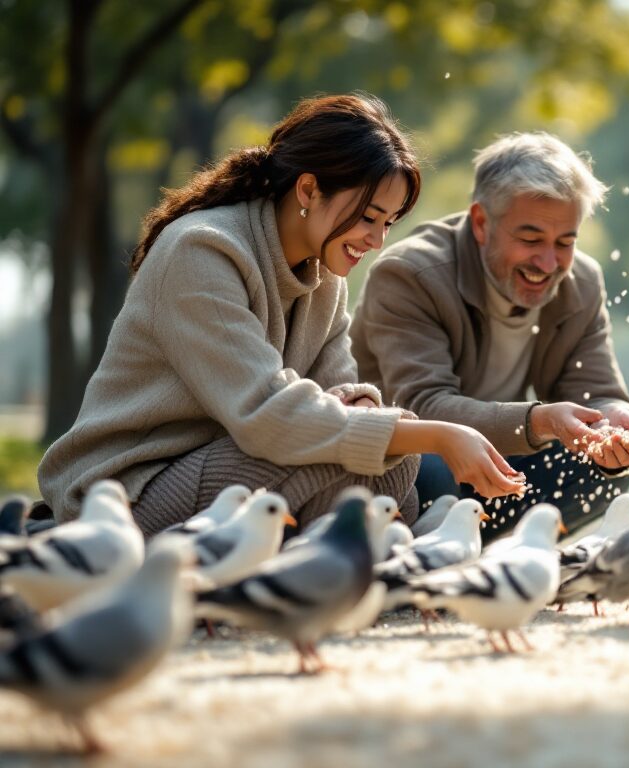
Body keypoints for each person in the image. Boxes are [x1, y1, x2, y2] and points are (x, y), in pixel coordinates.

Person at [38, 94, 524, 535]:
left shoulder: (324, 275)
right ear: (309, 190)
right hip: (127, 493)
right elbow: (268, 417)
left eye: (389, 223)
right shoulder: (202, 251)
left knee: (393, 461)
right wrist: (439, 432)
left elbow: (340, 393)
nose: (378, 242)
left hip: (235, 466)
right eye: (369, 218)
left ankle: (290, 572)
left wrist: (368, 411)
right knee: (366, 454)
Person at [350, 132, 629, 540]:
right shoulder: (409, 274)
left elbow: (597, 391)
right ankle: (425, 551)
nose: (548, 263)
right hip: (401, 470)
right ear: (481, 223)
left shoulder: (580, 282)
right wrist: (539, 420)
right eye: (530, 240)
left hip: (494, 470)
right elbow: (423, 408)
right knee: (435, 468)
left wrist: (618, 423)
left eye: (565, 242)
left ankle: (485, 553)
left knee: (603, 472)